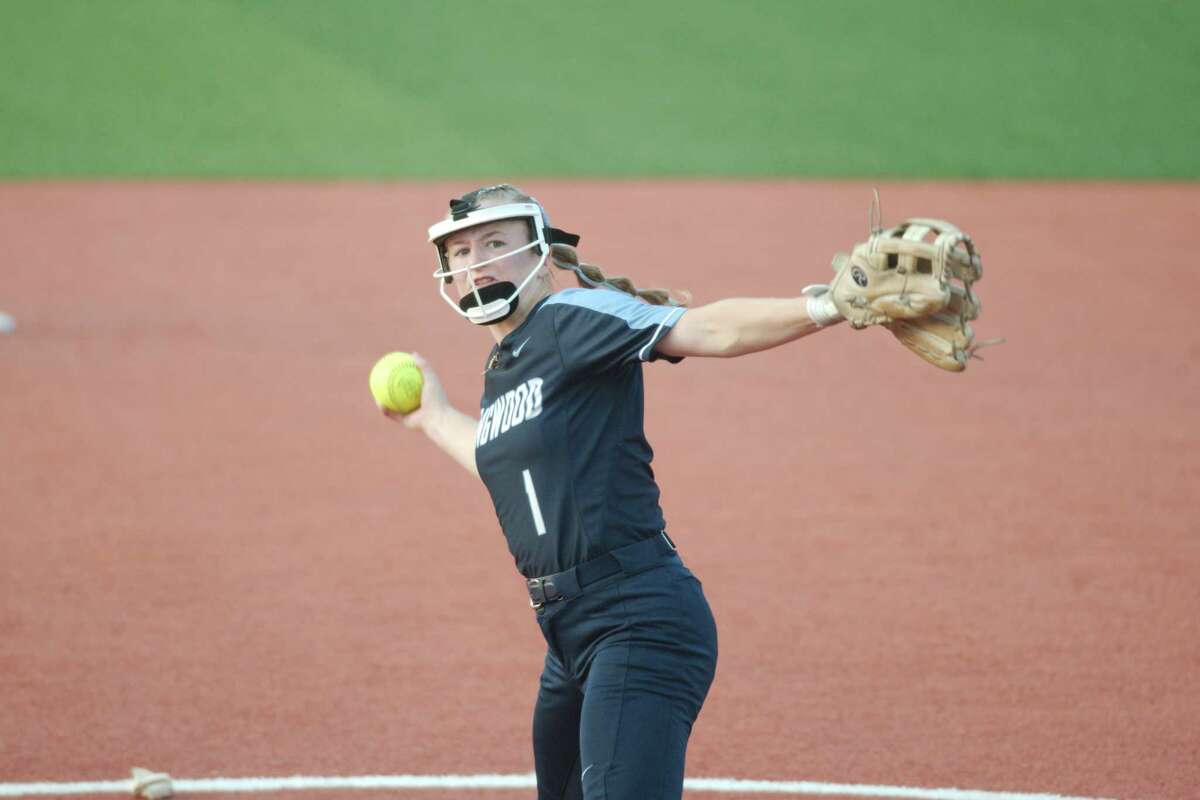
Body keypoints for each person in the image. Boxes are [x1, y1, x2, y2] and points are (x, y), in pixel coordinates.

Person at [382, 184, 844, 800]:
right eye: (462, 251)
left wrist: (828, 306)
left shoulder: (571, 318)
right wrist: (434, 418)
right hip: (568, 636)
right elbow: (502, 463)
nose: (476, 263)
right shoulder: (507, 364)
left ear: (540, 253)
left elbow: (708, 330)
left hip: (638, 620)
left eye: (494, 243)